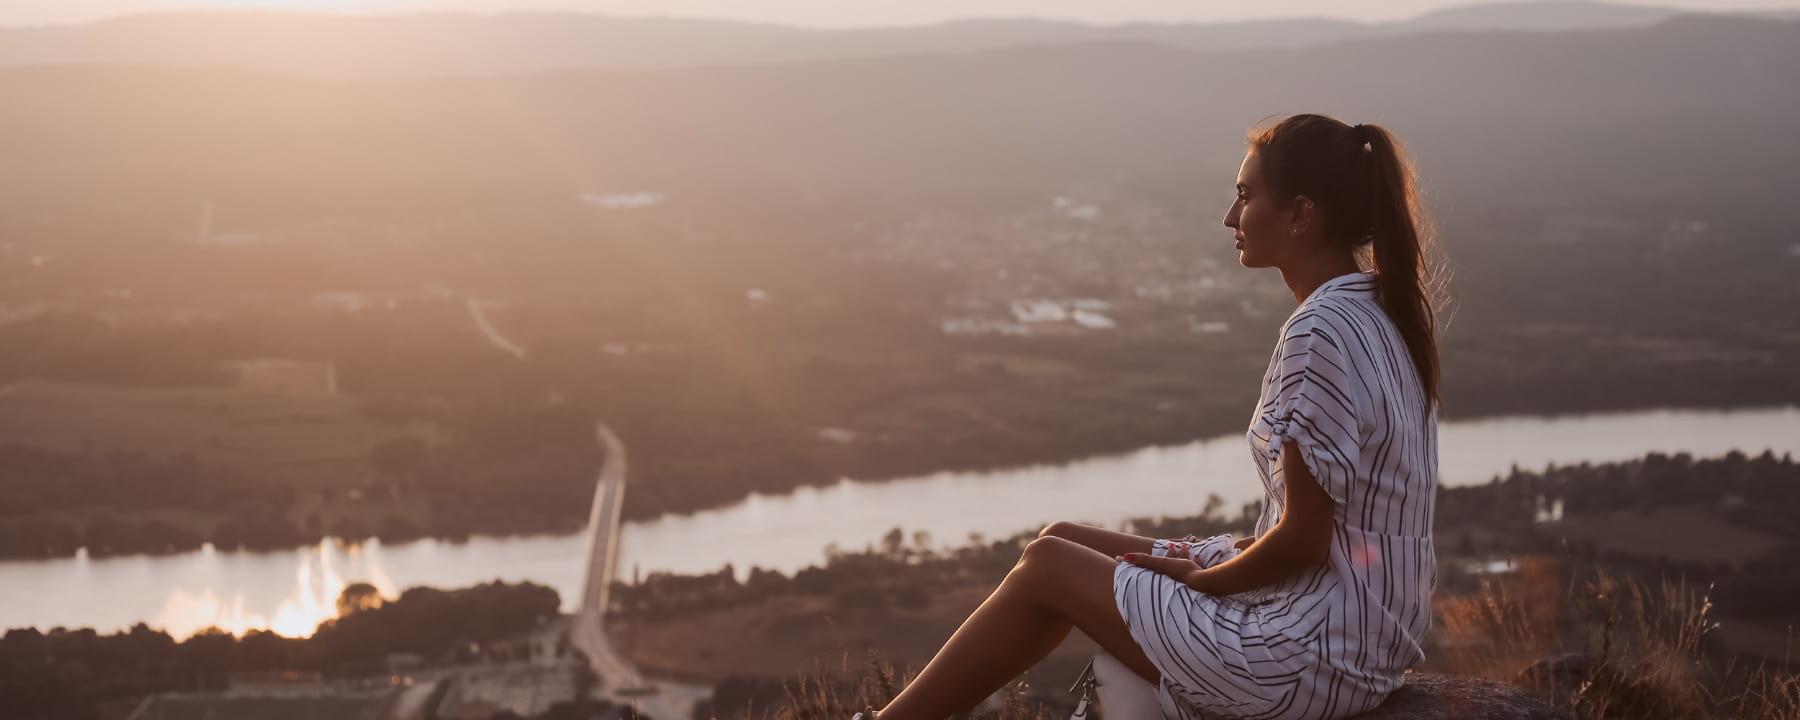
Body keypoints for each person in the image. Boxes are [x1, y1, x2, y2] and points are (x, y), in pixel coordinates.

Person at [856, 113, 1445, 720]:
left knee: (1048, 567)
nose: (1229, 217)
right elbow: (1330, 533)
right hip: (1347, 637)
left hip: (1307, 657)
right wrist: (1208, 562)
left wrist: (1200, 582)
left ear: (1300, 214)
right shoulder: (1378, 309)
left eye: (1245, 196)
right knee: (1060, 540)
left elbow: (1302, 541)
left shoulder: (1321, 330)